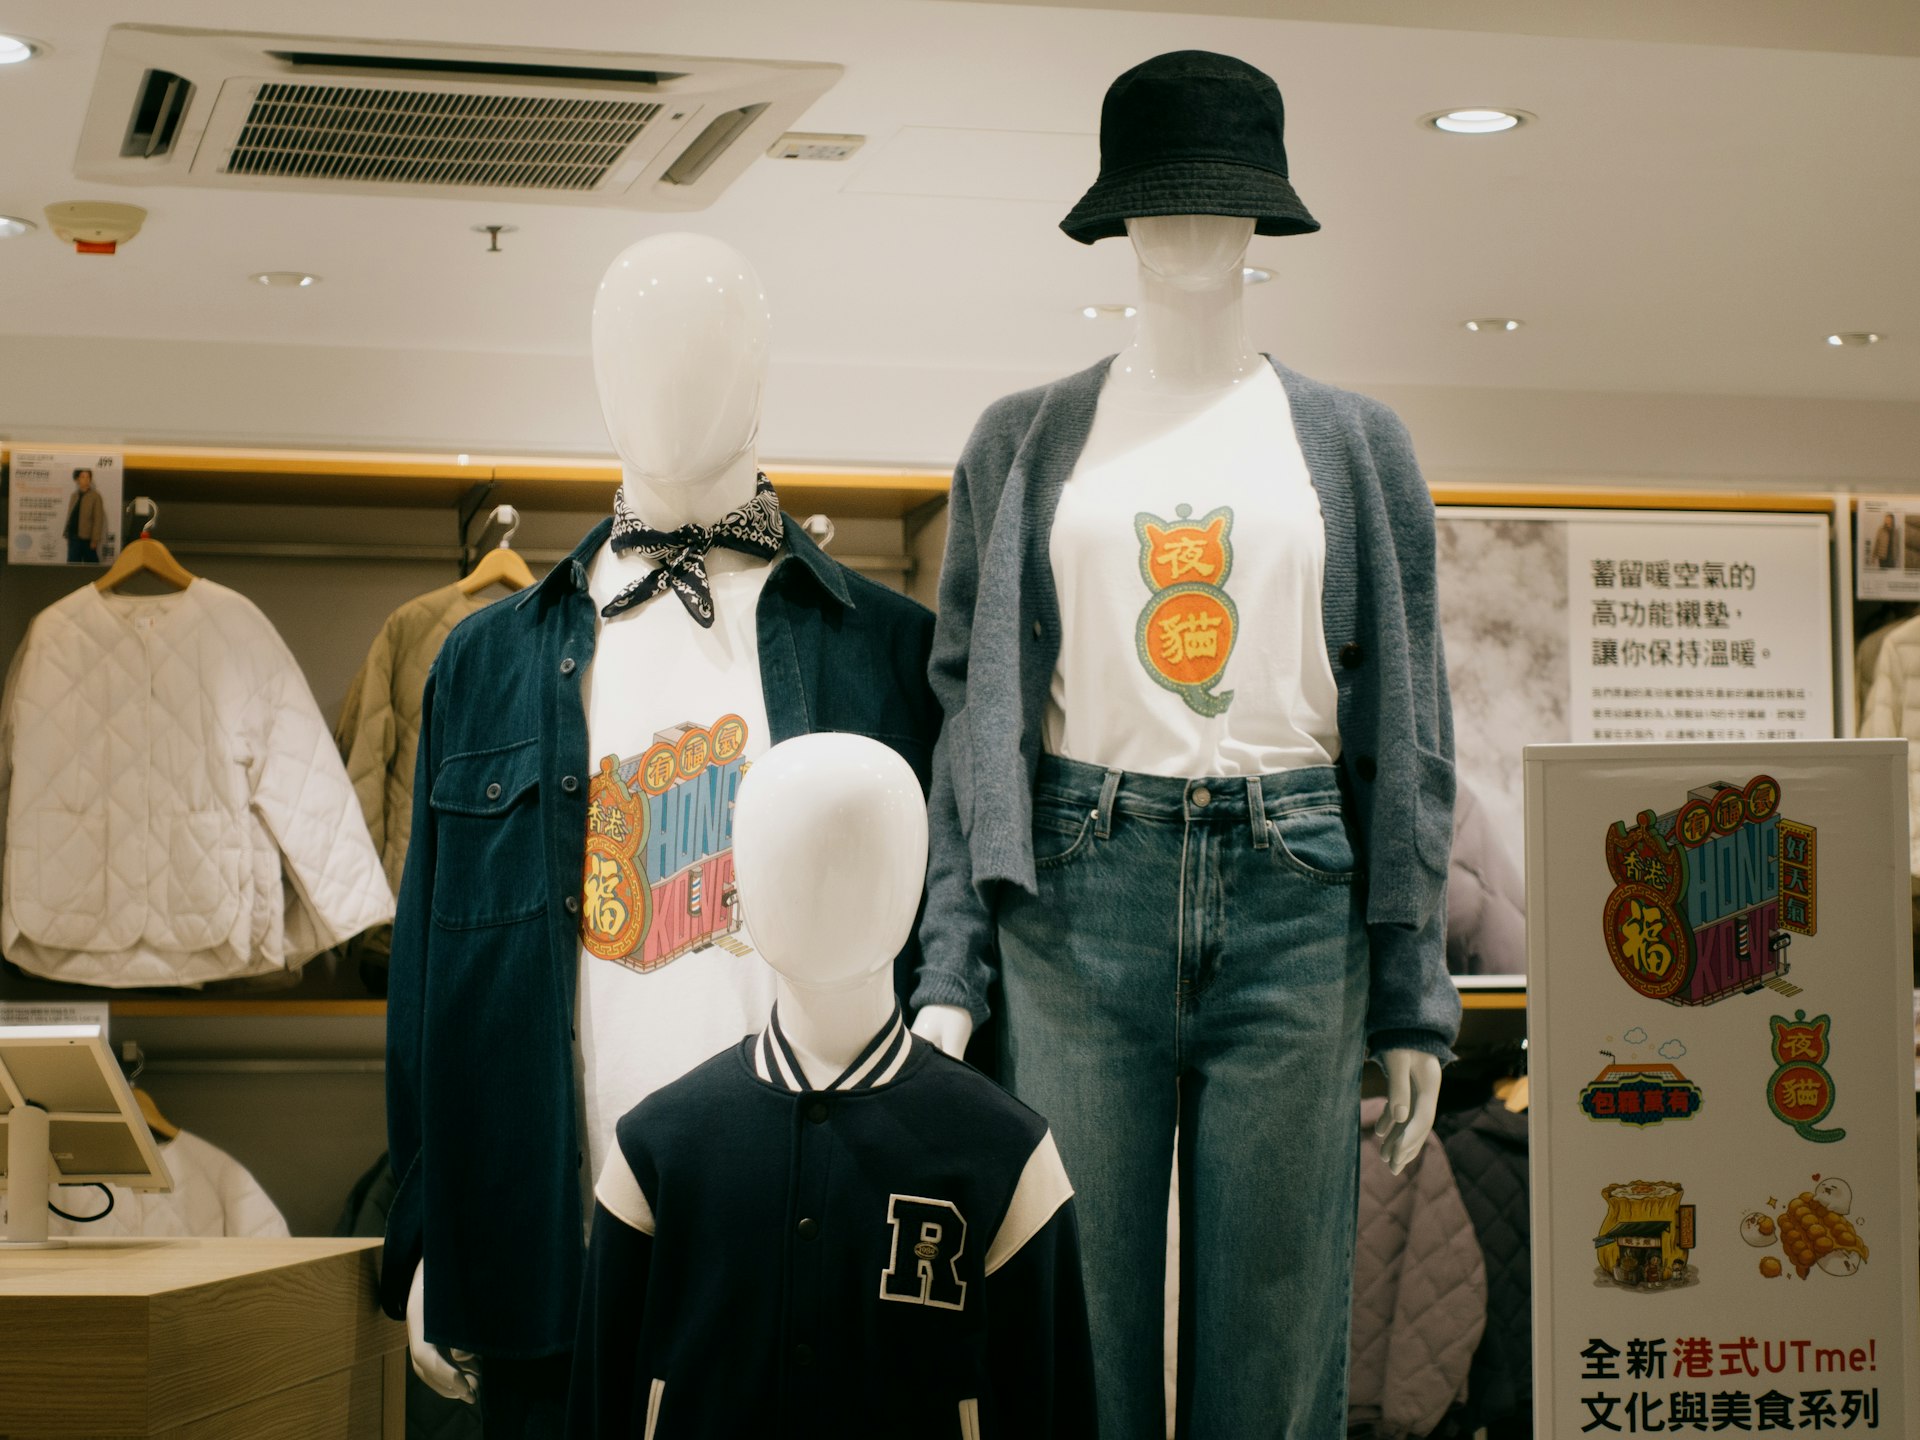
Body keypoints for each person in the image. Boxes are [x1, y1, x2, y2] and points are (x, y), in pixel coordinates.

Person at [63, 468, 106, 564]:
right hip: (73, 536)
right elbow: (70, 515)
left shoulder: (95, 496)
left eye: (88, 477)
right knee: (73, 564)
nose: (85, 479)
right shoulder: (74, 495)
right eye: (83, 477)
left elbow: (98, 519)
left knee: (91, 565)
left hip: (87, 537)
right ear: (78, 479)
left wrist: (95, 539)